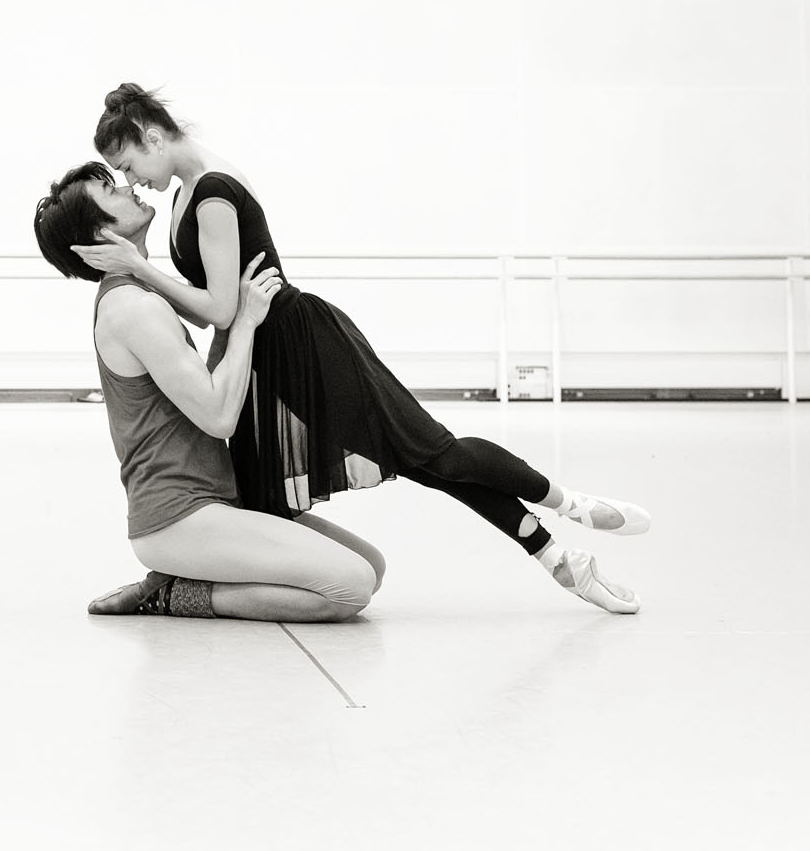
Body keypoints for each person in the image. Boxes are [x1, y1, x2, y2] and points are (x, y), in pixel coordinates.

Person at [73, 85, 648, 615]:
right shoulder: (186, 192)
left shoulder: (213, 194)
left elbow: (223, 309)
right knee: (254, 495)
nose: (133, 181)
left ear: (152, 138)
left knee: (430, 454)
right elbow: (220, 308)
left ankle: (565, 508)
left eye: (128, 166)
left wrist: (140, 267)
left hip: (297, 349)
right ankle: (561, 562)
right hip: (255, 360)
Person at [35, 165, 386, 622]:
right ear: (101, 232)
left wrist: (229, 306)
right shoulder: (132, 308)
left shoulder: (143, 291)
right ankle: (169, 595)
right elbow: (219, 416)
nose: (127, 186)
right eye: (109, 189)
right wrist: (244, 324)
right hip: (178, 518)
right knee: (349, 589)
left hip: (215, 501)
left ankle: (178, 578)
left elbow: (208, 379)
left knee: (372, 568)